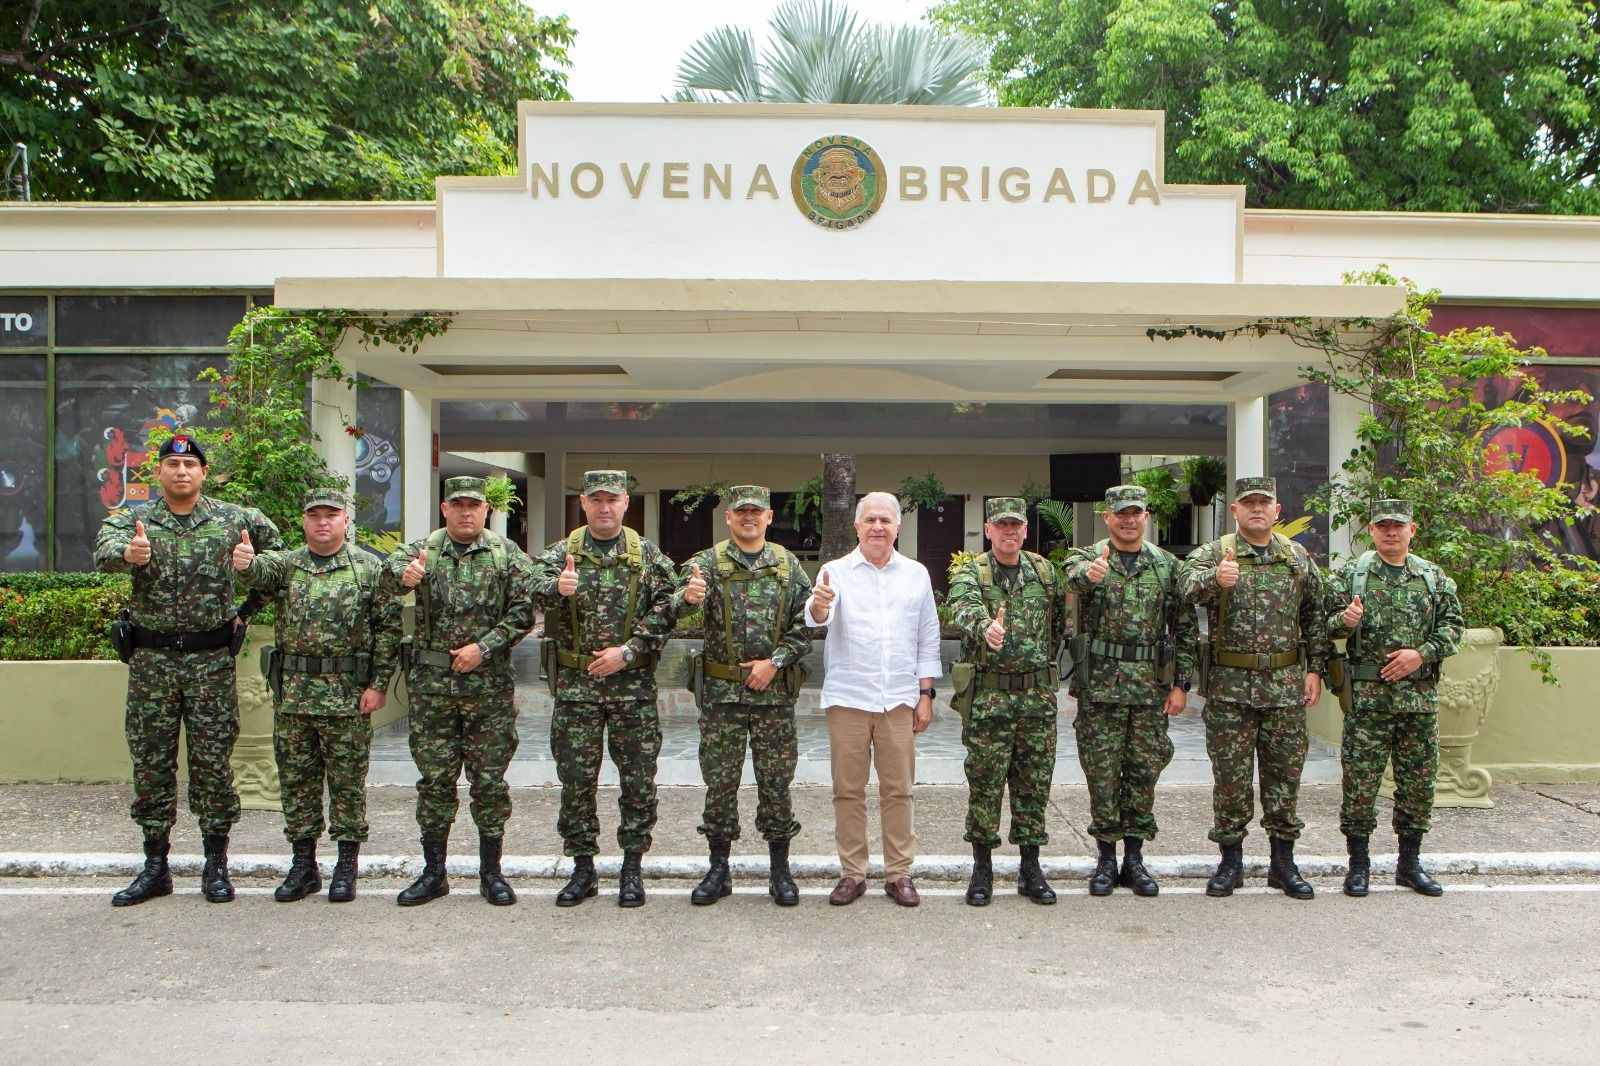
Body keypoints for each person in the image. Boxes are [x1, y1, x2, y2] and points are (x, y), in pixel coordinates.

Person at [93, 433, 283, 906]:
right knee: (151, 764)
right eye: (172, 464)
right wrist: (127, 555)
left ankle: (215, 866)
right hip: (151, 663)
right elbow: (102, 551)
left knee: (213, 765)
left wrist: (249, 589)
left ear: (203, 473)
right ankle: (155, 867)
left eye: (190, 464)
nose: (181, 471)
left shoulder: (235, 519)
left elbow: (280, 564)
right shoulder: (134, 520)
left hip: (210, 662)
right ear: (158, 471)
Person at [233, 487, 403, 903]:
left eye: (331, 514)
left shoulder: (368, 568)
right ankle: (303, 865)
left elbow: (388, 630)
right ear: (304, 521)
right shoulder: (287, 565)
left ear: (345, 519)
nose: (322, 521)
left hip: (347, 696)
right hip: (294, 696)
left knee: (347, 785)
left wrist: (379, 684)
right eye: (314, 515)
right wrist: (245, 564)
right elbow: (258, 574)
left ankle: (346, 866)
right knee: (297, 784)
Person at [380, 476, 536, 907]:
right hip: (432, 691)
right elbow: (385, 578)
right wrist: (404, 577)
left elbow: (525, 611)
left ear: (486, 510)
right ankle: (434, 873)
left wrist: (482, 647)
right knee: (435, 781)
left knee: (489, 782)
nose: (466, 512)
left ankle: (491, 873)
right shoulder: (423, 551)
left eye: (474, 505)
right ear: (444, 509)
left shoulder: (507, 555)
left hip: (489, 689)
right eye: (458, 505)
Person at [531, 470, 676, 908]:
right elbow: (528, 589)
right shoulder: (562, 553)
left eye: (612, 499)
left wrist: (629, 650)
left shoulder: (646, 555)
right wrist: (555, 587)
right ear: (583, 502)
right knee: (577, 782)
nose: (604, 507)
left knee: (638, 781)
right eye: (596, 499)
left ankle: (632, 868)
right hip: (577, 690)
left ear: (626, 502)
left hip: (632, 689)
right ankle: (582, 869)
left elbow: (669, 607)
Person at [1180, 476, 1330, 900]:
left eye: (1265, 502)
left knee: (1285, 778)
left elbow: (1315, 614)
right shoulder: (1216, 553)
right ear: (1235, 510)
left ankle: (1283, 863)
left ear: (1277, 510)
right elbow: (1182, 589)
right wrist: (1216, 579)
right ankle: (1230, 862)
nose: (1257, 509)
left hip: (1284, 688)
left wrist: (1315, 670)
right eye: (1249, 503)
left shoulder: (1295, 556)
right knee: (1231, 779)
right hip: (1230, 690)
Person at [675, 485, 814, 907]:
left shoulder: (787, 565)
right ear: (729, 517)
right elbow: (674, 608)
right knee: (719, 784)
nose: (748, 517)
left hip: (773, 696)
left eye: (756, 511)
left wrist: (775, 661)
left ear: (769, 516)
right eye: (741, 511)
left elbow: (806, 624)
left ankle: (780, 871)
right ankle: (718, 869)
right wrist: (687, 598)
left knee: (776, 785)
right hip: (722, 698)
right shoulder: (705, 563)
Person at [807, 491, 940, 908]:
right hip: (849, 697)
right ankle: (852, 873)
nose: (878, 527)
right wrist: (819, 605)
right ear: (857, 526)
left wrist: (925, 694)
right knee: (847, 790)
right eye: (870, 520)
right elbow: (817, 616)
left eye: (885, 520)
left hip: (899, 699)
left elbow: (927, 637)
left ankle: (899, 873)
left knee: (898, 790)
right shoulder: (835, 571)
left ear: (898, 526)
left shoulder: (916, 575)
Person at [1063, 484, 1197, 898]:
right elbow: (1072, 579)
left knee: (1144, 772)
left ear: (1146, 516)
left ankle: (1134, 858)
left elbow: (1185, 628)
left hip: (1150, 689)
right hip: (1100, 689)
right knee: (1102, 774)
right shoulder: (1088, 558)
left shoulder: (1167, 566)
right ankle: (1106, 858)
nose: (1128, 520)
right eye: (1120, 513)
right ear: (1106, 516)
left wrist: (1181, 684)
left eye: (1135, 512)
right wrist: (1089, 576)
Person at [1327, 499, 1463, 897]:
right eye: (1383, 525)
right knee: (1360, 786)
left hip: (1418, 702)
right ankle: (1359, 866)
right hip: (1367, 704)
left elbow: (1454, 627)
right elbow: (1322, 623)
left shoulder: (1432, 577)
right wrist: (1344, 621)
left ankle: (1409, 864)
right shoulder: (1352, 575)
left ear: (1411, 530)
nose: (1390, 532)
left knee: (1418, 786)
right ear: (1371, 530)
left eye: (1398, 526)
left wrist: (1421, 654)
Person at [947, 496, 1068, 906]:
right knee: (985, 785)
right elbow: (961, 605)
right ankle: (982, 869)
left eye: (1016, 525)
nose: (1009, 531)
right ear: (988, 530)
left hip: (1036, 699)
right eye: (1001, 525)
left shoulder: (1044, 573)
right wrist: (985, 626)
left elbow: (1056, 626)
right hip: (990, 701)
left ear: (1026, 530)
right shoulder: (972, 571)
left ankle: (1030, 868)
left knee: (1034, 784)